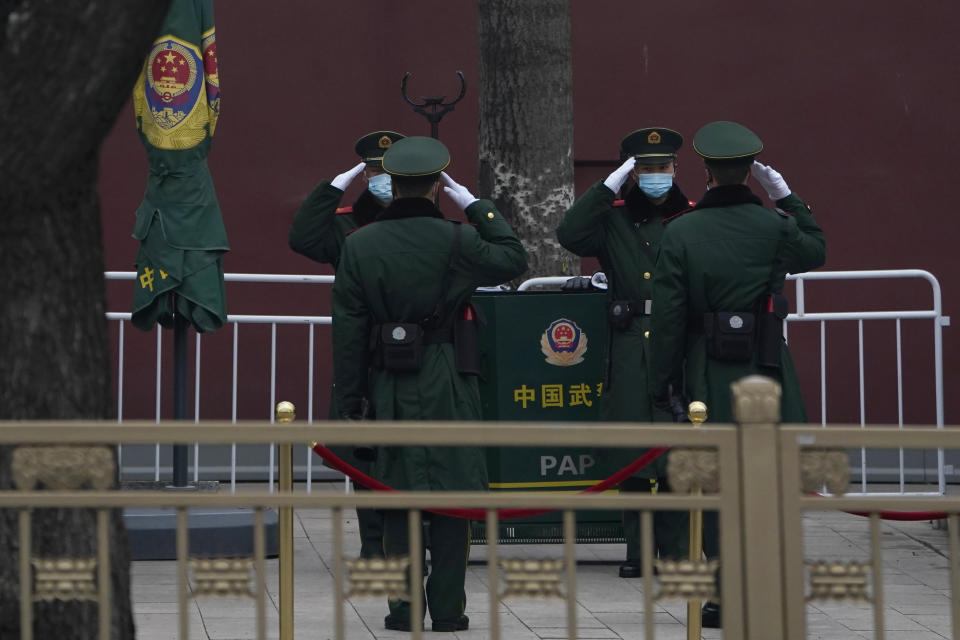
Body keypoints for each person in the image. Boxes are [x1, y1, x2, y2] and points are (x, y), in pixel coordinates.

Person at [332, 136, 528, 632]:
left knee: (396, 493)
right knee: (452, 494)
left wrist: (349, 406)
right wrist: (476, 206)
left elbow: (349, 334)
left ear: (391, 186)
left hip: (387, 379)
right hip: (448, 375)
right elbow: (513, 257)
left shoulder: (359, 245)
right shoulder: (459, 240)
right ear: (438, 186)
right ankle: (447, 609)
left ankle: (404, 610)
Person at [650, 120, 826, 628]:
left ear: (706, 172)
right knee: (769, 484)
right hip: (767, 367)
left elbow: (668, 318)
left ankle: (725, 595)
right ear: (751, 172)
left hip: (707, 373)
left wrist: (662, 382)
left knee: (718, 488)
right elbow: (816, 250)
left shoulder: (680, 231)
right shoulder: (777, 227)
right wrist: (787, 197)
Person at [556, 128, 692, 579]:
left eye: (663, 167)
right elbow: (570, 234)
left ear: (676, 169)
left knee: (675, 454)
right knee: (633, 453)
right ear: (632, 173)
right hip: (630, 340)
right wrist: (608, 184)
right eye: (646, 168)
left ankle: (672, 552)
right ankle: (637, 550)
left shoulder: (690, 216)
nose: (657, 176)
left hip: (677, 340)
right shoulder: (613, 217)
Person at [288, 130, 405, 559]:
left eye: (393, 173)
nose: (385, 181)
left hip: (416, 353)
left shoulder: (424, 222)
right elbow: (302, 238)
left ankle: (413, 540)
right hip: (365, 353)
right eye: (376, 172)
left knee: (410, 451)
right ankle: (374, 544)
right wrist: (336, 183)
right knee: (364, 452)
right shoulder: (345, 224)